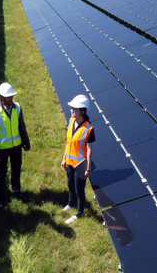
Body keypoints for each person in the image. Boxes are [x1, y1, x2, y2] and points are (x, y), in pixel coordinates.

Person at [0, 82, 31, 205]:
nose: (11, 98)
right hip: (2, 149)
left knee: (16, 170)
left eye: (12, 96)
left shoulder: (18, 107)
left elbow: (22, 126)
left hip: (16, 147)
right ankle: (1, 198)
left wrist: (26, 143)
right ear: (1, 97)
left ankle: (16, 191)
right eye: (8, 96)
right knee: (1, 174)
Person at [61, 94, 95, 224]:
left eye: (75, 109)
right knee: (70, 185)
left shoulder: (89, 129)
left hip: (80, 165)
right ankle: (70, 203)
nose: (72, 110)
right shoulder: (70, 121)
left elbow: (90, 150)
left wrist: (88, 169)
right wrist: (64, 159)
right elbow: (68, 142)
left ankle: (79, 213)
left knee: (79, 189)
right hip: (69, 162)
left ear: (82, 111)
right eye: (71, 108)